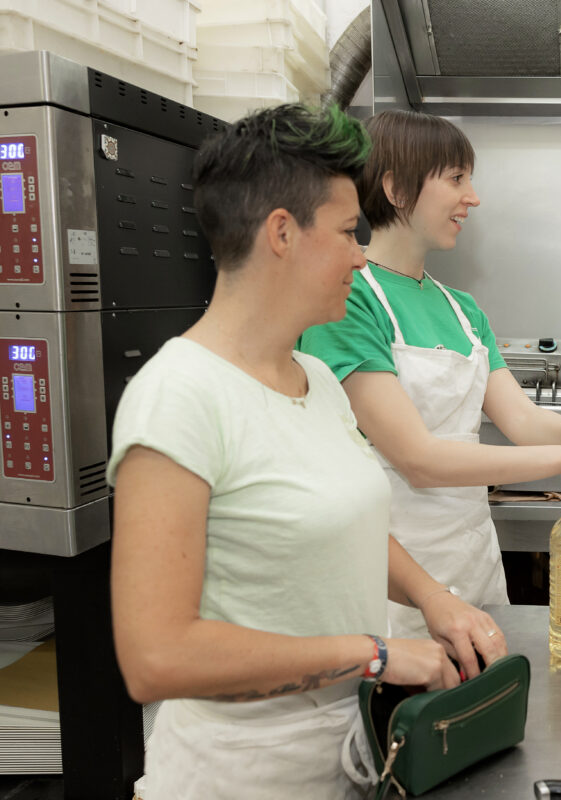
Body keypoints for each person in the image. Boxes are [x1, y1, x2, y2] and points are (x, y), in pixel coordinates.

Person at [108, 104, 508, 800]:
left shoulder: (316, 379)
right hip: (240, 778)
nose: (361, 253)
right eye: (350, 232)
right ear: (282, 234)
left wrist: (431, 596)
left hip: (344, 758)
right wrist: (376, 655)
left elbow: (345, 521)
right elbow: (156, 657)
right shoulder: (177, 396)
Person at [298, 110, 561, 638]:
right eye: (456, 179)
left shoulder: (463, 309)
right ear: (396, 188)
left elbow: (520, 418)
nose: (473, 197)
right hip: (390, 576)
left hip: (472, 560)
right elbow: (417, 458)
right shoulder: (351, 297)